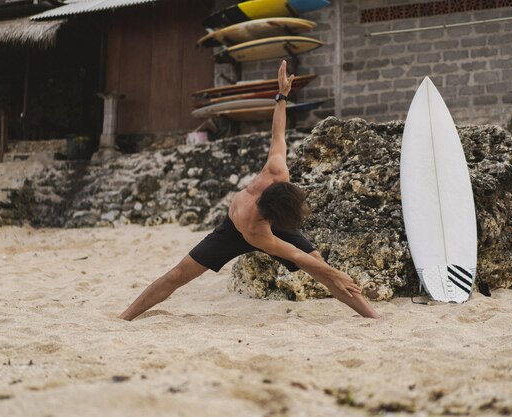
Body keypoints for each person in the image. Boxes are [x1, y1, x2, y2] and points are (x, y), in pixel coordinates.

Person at [119, 61, 379, 321]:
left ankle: (372, 317)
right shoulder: (255, 229)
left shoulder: (277, 172)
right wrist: (334, 272)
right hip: (235, 231)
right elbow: (295, 255)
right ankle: (125, 317)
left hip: (267, 214)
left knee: (322, 268)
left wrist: (281, 96)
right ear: (270, 217)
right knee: (176, 275)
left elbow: (278, 133)